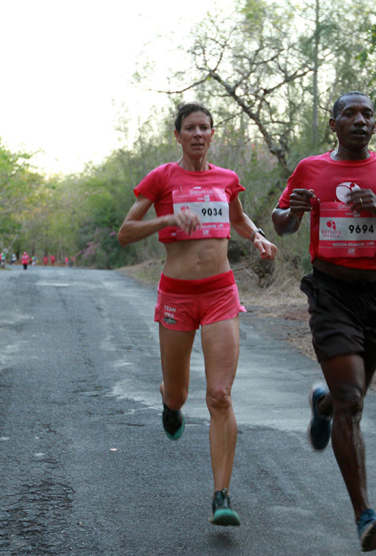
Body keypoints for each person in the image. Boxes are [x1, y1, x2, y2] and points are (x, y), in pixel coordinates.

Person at [271, 92, 376, 552]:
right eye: (350, 114)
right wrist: (293, 211)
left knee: (347, 399)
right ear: (334, 124)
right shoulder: (310, 169)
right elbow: (282, 223)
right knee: (353, 401)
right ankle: (365, 515)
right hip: (331, 293)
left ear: (375, 126)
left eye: (368, 114)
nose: (360, 120)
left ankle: (323, 404)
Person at [118, 102, 278, 527]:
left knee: (220, 395)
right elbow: (125, 232)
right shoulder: (161, 178)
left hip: (221, 293)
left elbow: (240, 220)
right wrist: (167, 218)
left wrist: (259, 238)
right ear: (178, 135)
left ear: (212, 134)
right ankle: (169, 405)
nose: (197, 134)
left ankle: (221, 495)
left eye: (204, 127)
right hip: (177, 295)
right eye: (189, 128)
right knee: (180, 395)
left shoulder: (227, 180)